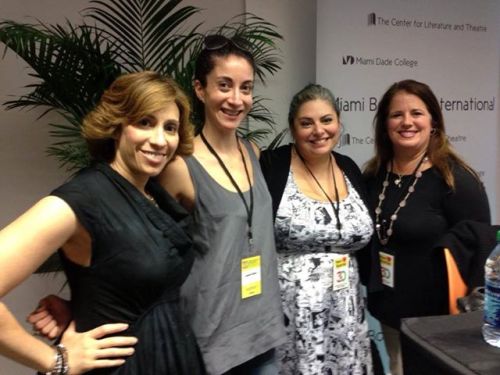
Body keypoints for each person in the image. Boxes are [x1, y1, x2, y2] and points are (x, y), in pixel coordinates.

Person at [2, 70, 206, 374]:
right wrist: (55, 361)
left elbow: (125, 282)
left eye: (171, 127)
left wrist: (80, 309)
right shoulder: (84, 199)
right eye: (145, 123)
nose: (160, 140)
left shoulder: (153, 193)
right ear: (117, 126)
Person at [157, 35, 286, 374]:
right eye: (224, 86)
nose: (236, 99)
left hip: (264, 330)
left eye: (245, 88)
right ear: (200, 89)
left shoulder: (253, 153)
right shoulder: (181, 167)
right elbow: (150, 252)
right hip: (212, 344)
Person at [363, 79, 491, 375]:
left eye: (416, 113)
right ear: (385, 125)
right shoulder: (373, 176)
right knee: (397, 368)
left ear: (433, 121)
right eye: (397, 115)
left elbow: (481, 251)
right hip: (388, 307)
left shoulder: (455, 179)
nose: (407, 122)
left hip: (438, 321)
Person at [260, 84, 375, 374]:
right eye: (306, 123)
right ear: (292, 128)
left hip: (346, 311)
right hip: (290, 312)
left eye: (326, 120)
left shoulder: (348, 167)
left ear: (338, 121)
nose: (318, 130)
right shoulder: (271, 166)